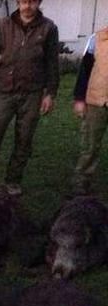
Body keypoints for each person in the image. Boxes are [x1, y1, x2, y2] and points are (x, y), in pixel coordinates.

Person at [0, 0, 59, 196]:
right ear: (18, 2)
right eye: (24, 1)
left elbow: (52, 63)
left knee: (24, 140)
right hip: (4, 92)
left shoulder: (49, 28)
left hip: (32, 93)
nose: (28, 6)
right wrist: (0, 58)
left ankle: (13, 181)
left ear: (38, 3)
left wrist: (50, 93)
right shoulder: (2, 25)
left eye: (32, 2)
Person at [72, 27, 108, 195]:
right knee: (90, 146)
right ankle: (80, 184)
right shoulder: (96, 38)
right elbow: (84, 70)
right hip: (96, 99)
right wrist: (79, 98)